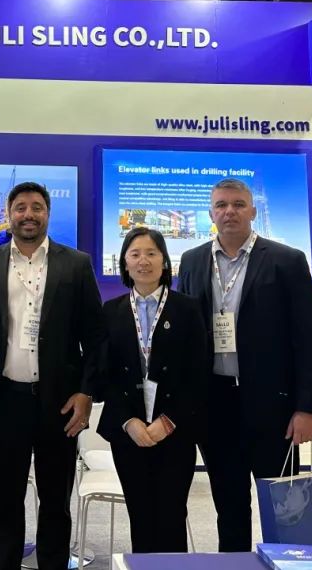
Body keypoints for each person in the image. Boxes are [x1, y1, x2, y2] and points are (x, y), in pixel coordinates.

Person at [177, 177, 312, 553]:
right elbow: (184, 336)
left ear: (253, 211)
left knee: (284, 509)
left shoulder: (287, 260)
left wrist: (308, 407)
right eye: (222, 205)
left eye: (238, 204)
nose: (230, 211)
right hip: (214, 405)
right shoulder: (192, 261)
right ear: (211, 213)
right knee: (229, 508)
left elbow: (309, 339)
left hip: (274, 407)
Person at [0, 181, 105, 570]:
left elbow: (95, 337)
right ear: (8, 215)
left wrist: (86, 394)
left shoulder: (75, 264)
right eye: (20, 208)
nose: (28, 214)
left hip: (59, 403)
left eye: (36, 207)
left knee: (55, 502)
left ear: (48, 213)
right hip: (3, 401)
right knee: (6, 501)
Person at [97, 227, 207, 554]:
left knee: (172, 515)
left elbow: (198, 373)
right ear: (125, 263)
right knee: (140, 514)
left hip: (175, 431)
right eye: (135, 254)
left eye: (151, 253)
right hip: (128, 432)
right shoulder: (111, 311)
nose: (143, 261)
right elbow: (105, 375)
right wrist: (128, 421)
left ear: (164, 261)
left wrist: (169, 421)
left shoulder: (187, 308)